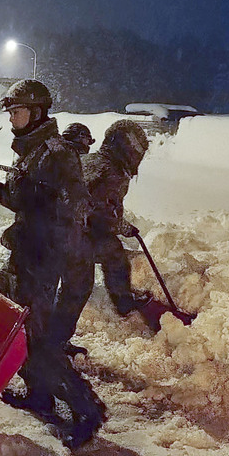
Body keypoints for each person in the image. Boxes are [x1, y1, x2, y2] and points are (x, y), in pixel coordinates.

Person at [0, 79, 105, 450]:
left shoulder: (56, 153)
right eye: (11, 113)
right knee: (8, 326)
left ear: (37, 112)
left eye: (17, 112)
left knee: (37, 338)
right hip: (26, 255)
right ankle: (39, 395)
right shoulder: (34, 152)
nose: (12, 119)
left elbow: (69, 209)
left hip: (41, 260)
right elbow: (27, 201)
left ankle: (86, 408)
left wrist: (48, 249)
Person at [82, 119, 153, 316]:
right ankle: (123, 303)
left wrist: (121, 224)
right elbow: (103, 215)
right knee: (115, 256)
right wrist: (121, 226)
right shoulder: (113, 172)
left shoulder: (92, 160)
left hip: (66, 227)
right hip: (78, 232)